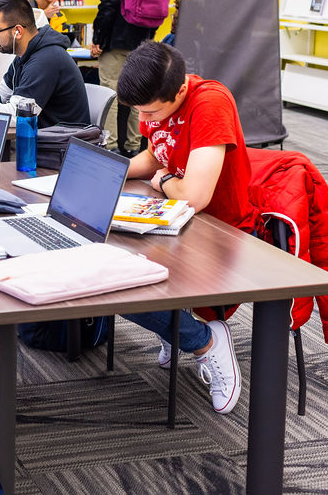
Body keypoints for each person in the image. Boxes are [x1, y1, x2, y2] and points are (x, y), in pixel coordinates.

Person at [113, 42, 253, 414]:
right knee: (105, 264)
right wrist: (115, 172)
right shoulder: (156, 96)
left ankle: (205, 341)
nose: (145, 118)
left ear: (180, 92)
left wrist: (163, 183)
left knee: (125, 288)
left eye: (151, 111)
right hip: (174, 218)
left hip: (219, 230)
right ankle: (174, 326)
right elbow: (156, 153)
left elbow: (193, 195)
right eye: (140, 112)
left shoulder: (210, 103)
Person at [0, 0, 89, 128]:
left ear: (18, 31)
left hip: (61, 144)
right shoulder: (24, 55)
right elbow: (1, 93)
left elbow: (19, 115)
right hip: (44, 138)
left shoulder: (45, 60)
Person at [93, 0, 157, 156]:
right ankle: (133, 147)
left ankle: (109, 148)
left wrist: (98, 38)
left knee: (111, 93)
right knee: (136, 95)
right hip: (143, 40)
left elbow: (108, 2)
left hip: (117, 39)